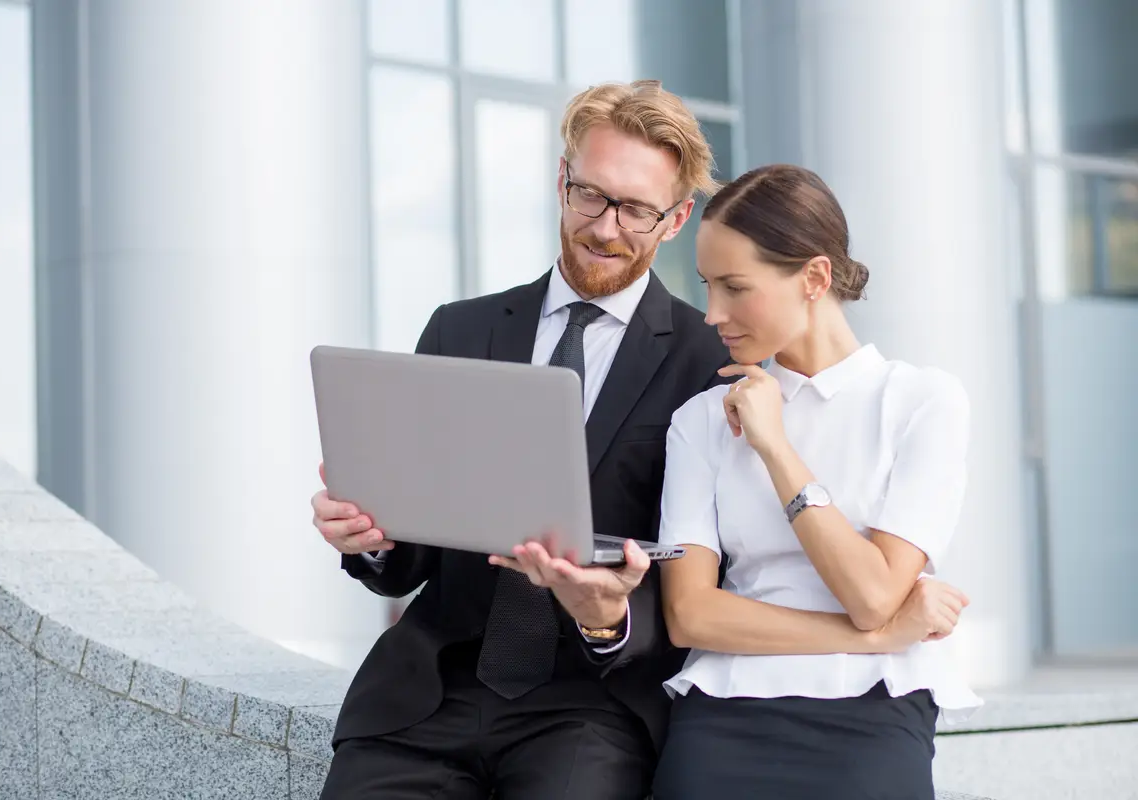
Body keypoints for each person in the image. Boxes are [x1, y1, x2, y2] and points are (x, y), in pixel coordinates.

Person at [311, 80, 731, 800]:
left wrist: (611, 623)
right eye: (590, 195)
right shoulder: (460, 330)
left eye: (635, 210)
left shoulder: (709, 362)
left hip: (591, 708)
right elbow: (411, 553)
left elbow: (713, 572)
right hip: (429, 694)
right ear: (560, 181)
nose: (604, 227)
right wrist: (372, 535)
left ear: (676, 219)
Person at [650, 163, 983, 799]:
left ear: (815, 277)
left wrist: (776, 448)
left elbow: (871, 593)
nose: (712, 313)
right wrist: (879, 638)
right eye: (706, 286)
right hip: (725, 709)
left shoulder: (921, 401)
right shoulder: (700, 419)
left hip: (873, 711)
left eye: (734, 287)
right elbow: (690, 615)